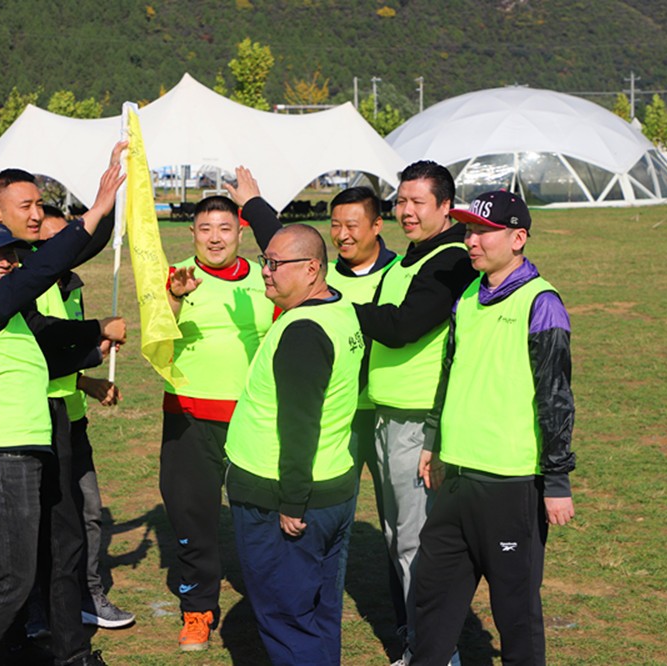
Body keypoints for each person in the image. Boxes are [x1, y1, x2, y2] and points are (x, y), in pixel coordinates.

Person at [227, 168, 407, 622]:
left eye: (352, 225)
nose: (342, 235)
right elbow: (288, 249)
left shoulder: (397, 274)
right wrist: (254, 205)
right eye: (336, 225)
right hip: (335, 422)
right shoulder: (328, 282)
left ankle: (413, 631)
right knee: (329, 536)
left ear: (376, 226)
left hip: (380, 414)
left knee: (400, 529)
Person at [0, 204, 117, 665]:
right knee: (7, 582)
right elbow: (40, 271)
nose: (5, 262)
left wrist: (96, 341)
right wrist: (93, 213)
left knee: (9, 575)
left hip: (18, 451)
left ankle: (12, 654)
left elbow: (49, 340)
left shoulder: (10, 312)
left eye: (10, 254)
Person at [410, 190, 576, 665]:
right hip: (457, 477)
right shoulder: (466, 296)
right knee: (433, 596)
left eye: (484, 232)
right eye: (468, 231)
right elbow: (450, 372)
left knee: (515, 611)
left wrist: (557, 479)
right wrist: (433, 439)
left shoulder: (541, 302)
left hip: (511, 484)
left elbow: (555, 397)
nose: (471, 241)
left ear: (518, 238)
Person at [0, 159, 131, 665]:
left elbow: (81, 245)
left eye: (39, 205)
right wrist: (96, 334)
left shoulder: (36, 261)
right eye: (25, 206)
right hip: (9, 429)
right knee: (20, 548)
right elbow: (42, 337)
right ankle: (15, 637)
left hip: (57, 416)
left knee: (65, 534)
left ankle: (70, 649)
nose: (35, 214)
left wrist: (108, 203)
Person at [352, 161, 477, 666]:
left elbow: (404, 326)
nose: (405, 211)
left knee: (416, 543)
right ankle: (420, 643)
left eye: (417, 202)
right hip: (389, 417)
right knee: (398, 537)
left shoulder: (450, 260)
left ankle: (434, 653)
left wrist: (340, 308)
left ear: (446, 207)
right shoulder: (409, 259)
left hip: (418, 422)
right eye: (400, 201)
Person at [225, 224, 365, 666]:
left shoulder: (303, 330)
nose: (265, 271)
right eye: (264, 261)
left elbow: (299, 423)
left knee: (288, 620)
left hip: (285, 499)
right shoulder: (341, 309)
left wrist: (292, 501)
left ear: (311, 269)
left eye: (275, 264)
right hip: (332, 487)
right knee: (319, 612)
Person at [160, 195, 274, 651]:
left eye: (224, 228)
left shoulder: (265, 277)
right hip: (189, 416)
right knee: (192, 514)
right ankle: (198, 611)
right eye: (205, 228)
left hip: (253, 417)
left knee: (263, 517)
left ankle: (271, 609)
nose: (214, 238)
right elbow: (155, 334)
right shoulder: (177, 276)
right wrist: (173, 298)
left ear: (240, 233)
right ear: (192, 233)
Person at [37, 206, 134, 629]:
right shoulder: (28, 287)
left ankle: (88, 595)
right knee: (47, 520)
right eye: (49, 241)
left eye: (66, 239)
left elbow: (67, 353)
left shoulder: (72, 285)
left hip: (73, 419)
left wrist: (90, 375)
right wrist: (94, 351)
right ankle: (39, 607)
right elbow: (41, 355)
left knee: (89, 511)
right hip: (37, 420)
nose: (60, 248)